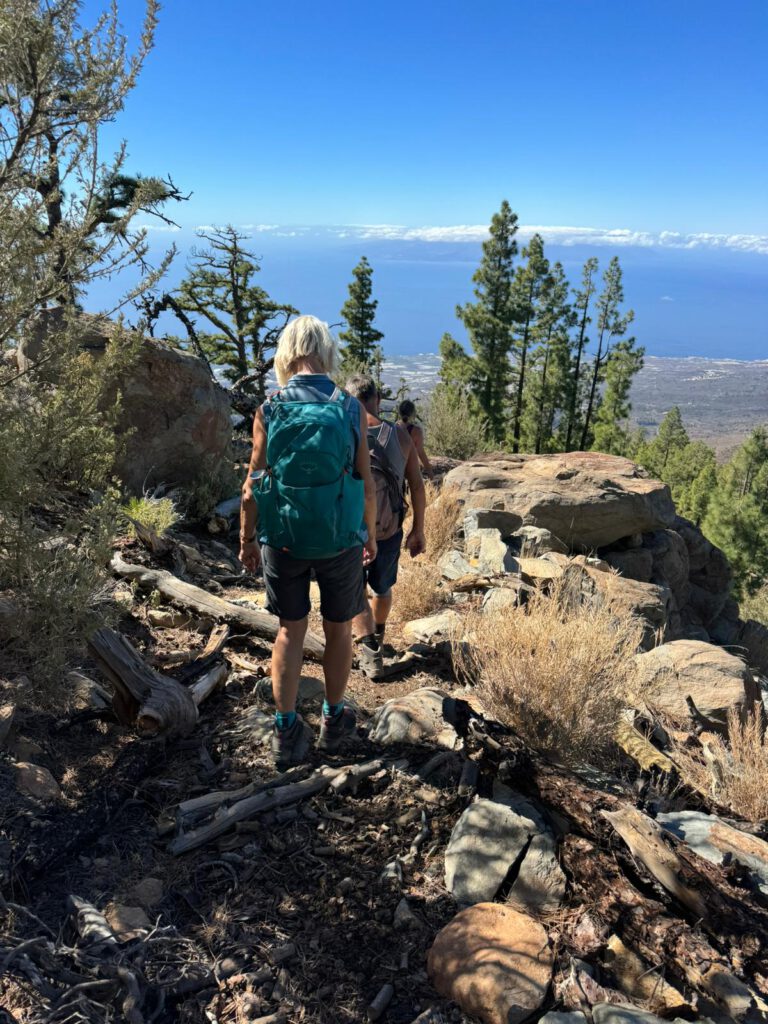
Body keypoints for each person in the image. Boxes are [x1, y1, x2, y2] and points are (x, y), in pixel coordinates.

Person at [239, 316, 377, 769]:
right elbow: (366, 482)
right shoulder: (349, 407)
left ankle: (284, 731)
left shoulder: (269, 408)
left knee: (289, 630)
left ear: (287, 352)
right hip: (339, 539)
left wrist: (247, 540)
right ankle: (334, 721)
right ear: (324, 351)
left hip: (283, 539)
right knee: (339, 629)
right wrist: (369, 534)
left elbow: (251, 485)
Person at [345, 375, 427, 679]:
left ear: (350, 401)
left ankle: (369, 652)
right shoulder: (401, 436)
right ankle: (377, 638)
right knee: (382, 588)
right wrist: (419, 529)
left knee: (354, 590)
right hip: (390, 528)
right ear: (377, 400)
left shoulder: (345, 433)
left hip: (352, 531)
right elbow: (417, 487)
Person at [397, 399, 434, 479]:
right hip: (409, 469)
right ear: (413, 413)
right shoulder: (416, 431)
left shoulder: (393, 427)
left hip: (395, 468)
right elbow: (420, 452)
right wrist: (429, 469)